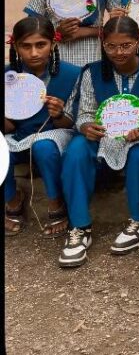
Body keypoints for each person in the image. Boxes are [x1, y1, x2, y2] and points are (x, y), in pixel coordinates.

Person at [59, 17, 139, 267]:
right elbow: (84, 112)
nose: (119, 52)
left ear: (138, 42)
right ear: (103, 45)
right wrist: (86, 126)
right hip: (104, 134)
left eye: (126, 45)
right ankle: (79, 227)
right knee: (75, 150)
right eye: (111, 46)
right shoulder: (92, 72)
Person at [4, 17, 80, 237]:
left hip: (56, 133)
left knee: (43, 146)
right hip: (19, 135)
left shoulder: (72, 74)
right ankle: (12, 199)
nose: (34, 53)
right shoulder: (8, 77)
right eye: (26, 46)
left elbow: (73, 122)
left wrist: (59, 113)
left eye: (40, 45)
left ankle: (56, 201)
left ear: (53, 44)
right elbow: (8, 128)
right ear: (15, 46)